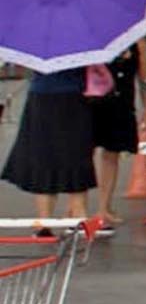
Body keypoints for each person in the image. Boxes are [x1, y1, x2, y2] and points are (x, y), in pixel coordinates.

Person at [2, 65, 98, 234]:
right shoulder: (82, 40)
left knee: (44, 155)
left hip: (41, 96)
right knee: (76, 154)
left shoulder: (36, 39)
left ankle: (44, 222)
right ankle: (78, 215)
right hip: (74, 96)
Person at [89, 41, 144, 227]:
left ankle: (104, 206)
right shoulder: (95, 38)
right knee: (84, 152)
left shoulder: (136, 40)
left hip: (121, 101)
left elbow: (142, 74)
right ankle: (76, 204)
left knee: (112, 154)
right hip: (93, 100)